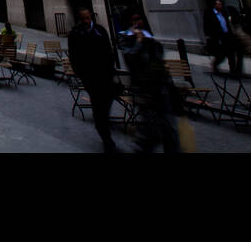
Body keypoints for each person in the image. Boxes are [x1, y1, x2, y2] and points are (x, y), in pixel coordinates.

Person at [119, 14, 180, 153]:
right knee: (151, 132)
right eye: (135, 19)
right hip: (144, 91)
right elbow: (130, 60)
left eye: (140, 19)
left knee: (170, 130)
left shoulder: (150, 38)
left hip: (161, 89)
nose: (139, 22)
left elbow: (159, 61)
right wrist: (139, 41)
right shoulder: (127, 39)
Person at [68, 9, 120, 153]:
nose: (87, 20)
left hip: (105, 75)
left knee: (105, 103)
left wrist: (111, 69)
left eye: (88, 17)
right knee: (98, 106)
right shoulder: (75, 34)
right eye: (84, 18)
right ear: (79, 19)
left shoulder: (100, 30)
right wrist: (81, 74)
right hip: (90, 77)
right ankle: (106, 137)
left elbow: (109, 50)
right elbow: (73, 55)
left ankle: (103, 123)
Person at [203, 0, 237, 75]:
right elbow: (206, 25)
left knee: (231, 54)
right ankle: (214, 66)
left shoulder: (224, 13)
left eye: (221, 4)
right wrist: (208, 35)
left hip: (227, 35)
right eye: (218, 4)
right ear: (215, 5)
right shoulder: (209, 14)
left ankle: (232, 70)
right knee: (220, 55)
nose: (220, 6)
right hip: (217, 36)